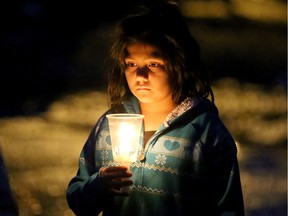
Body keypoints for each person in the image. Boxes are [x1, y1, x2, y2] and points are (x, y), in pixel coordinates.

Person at [66, 1, 245, 215]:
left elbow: (229, 209)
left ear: (179, 65)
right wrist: (99, 185)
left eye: (153, 64)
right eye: (132, 64)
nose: (140, 76)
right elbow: (78, 200)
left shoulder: (205, 132)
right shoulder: (108, 126)